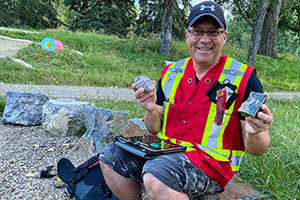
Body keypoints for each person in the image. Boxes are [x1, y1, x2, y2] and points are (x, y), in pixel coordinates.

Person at [99, 1, 273, 199]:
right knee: (110, 155)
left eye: (213, 32)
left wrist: (256, 131)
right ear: (187, 34)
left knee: (156, 175)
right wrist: (150, 110)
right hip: (165, 153)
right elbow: (154, 128)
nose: (205, 39)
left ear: (224, 36)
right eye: (198, 31)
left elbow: (258, 149)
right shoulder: (171, 72)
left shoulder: (245, 78)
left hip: (213, 165)